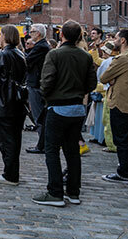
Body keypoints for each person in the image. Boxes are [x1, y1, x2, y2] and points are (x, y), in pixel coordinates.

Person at [32, 20, 98, 207]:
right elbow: (91, 83)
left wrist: (50, 95)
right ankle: (73, 192)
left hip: (58, 107)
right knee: (72, 152)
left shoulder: (55, 54)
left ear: (61, 35)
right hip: (77, 108)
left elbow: (46, 81)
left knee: (52, 150)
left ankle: (55, 192)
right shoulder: (85, 56)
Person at [100, 29, 128, 184]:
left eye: (117, 38)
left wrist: (114, 80)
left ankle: (123, 173)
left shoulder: (122, 59)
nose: (115, 40)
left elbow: (104, 77)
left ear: (123, 41)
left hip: (120, 102)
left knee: (122, 139)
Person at [0, 24, 27, 186]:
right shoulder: (21, 54)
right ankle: (12, 171)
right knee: (15, 138)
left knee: (5, 140)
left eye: (1, 35)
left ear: (5, 36)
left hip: (4, 102)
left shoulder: (0, 56)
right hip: (18, 102)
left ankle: (10, 174)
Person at [25, 24, 51, 154]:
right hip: (36, 82)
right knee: (39, 115)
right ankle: (42, 143)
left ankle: (42, 145)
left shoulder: (40, 46)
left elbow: (27, 60)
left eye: (32, 32)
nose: (30, 34)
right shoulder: (42, 46)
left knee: (38, 116)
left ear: (39, 33)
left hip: (36, 84)